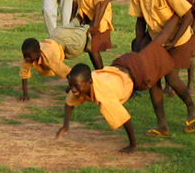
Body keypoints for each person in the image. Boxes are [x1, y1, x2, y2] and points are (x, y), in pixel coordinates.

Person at [56, 17, 180, 153]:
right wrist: (65, 125)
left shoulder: (104, 95)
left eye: (76, 86)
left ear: (89, 82)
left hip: (138, 73)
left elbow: (125, 119)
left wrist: (132, 145)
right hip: (122, 63)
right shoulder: (81, 84)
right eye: (71, 85)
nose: (73, 90)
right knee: (156, 45)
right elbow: (69, 104)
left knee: (161, 47)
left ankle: (180, 15)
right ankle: (177, 17)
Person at [129, 0, 195, 136]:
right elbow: (140, 20)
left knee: (171, 78)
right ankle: (162, 124)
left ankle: (193, 107)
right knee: (152, 80)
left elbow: (186, 15)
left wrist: (174, 40)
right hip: (156, 40)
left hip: (178, 39)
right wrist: (139, 44)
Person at [18, 22, 92, 101]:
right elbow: (24, 75)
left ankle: (87, 26)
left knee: (84, 38)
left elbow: (66, 71)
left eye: (29, 56)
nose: (27, 59)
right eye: (25, 56)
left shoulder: (49, 57)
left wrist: (72, 86)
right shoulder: (28, 57)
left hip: (64, 44)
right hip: (54, 38)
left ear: (38, 52)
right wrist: (25, 94)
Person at [162, 0, 195, 97]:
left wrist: (192, 28)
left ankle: (190, 84)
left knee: (188, 58)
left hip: (187, 30)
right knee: (171, 57)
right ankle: (169, 85)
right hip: (172, 30)